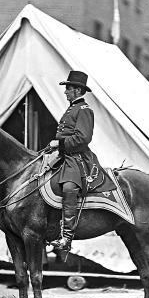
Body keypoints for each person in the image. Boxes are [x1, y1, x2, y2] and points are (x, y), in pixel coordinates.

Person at [49, 70, 97, 251]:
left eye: (68, 88)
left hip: (76, 158)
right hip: (64, 155)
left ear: (77, 90)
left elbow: (83, 138)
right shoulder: (72, 108)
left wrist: (59, 144)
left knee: (69, 188)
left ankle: (67, 237)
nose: (65, 92)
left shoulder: (84, 110)